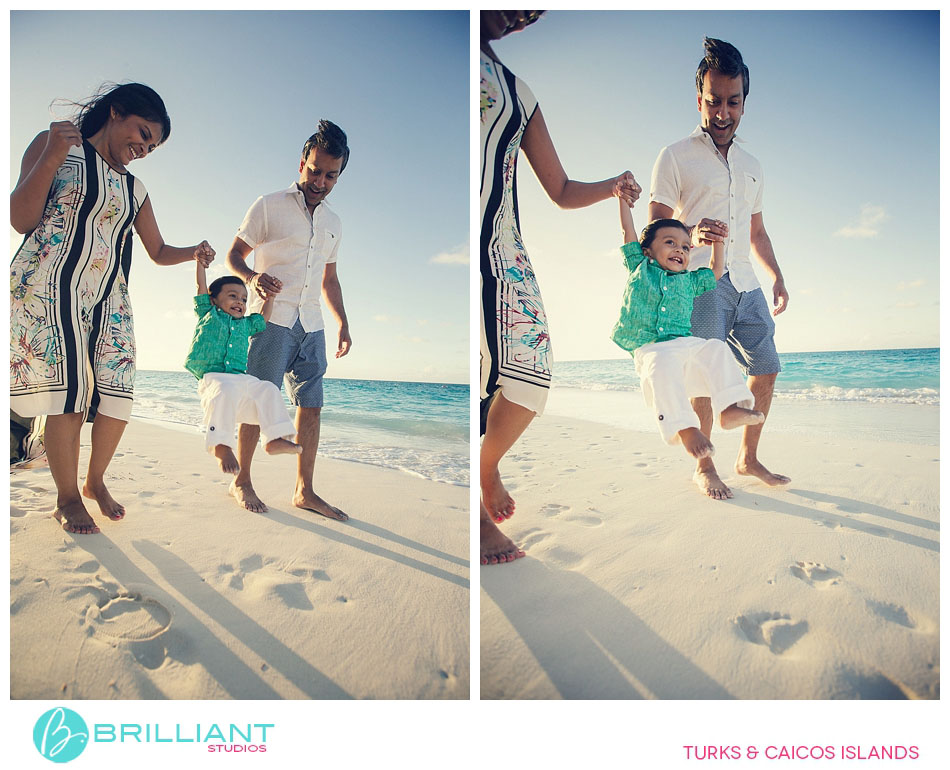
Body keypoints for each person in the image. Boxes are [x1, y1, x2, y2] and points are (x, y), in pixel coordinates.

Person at [10, 82, 216, 535]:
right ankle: (67, 498)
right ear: (116, 111)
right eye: (143, 134)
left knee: (118, 393)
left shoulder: (134, 188)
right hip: (49, 287)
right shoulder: (56, 145)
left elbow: (157, 250)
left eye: (152, 146)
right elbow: (21, 218)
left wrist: (193, 253)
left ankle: (94, 481)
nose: (144, 149)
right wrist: (51, 158)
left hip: (109, 298)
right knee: (71, 393)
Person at [480, 10, 640, 565]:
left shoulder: (519, 94)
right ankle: (476, 509)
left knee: (532, 371)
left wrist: (613, 186)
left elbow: (562, 188)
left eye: (534, 12)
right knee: (475, 374)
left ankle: (485, 466)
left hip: (505, 252)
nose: (522, 17)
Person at [648, 37, 790, 501]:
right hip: (699, 280)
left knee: (766, 366)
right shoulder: (674, 155)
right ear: (699, 100)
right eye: (714, 101)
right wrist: (690, 235)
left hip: (745, 280)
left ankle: (748, 458)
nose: (723, 112)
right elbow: (655, 226)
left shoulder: (753, 165)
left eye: (733, 101)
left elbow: (757, 231)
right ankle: (704, 466)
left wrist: (777, 276)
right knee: (703, 378)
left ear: (744, 102)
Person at [224, 120, 351, 520]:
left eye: (331, 175)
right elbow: (234, 255)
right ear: (302, 163)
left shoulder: (334, 223)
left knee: (311, 406)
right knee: (257, 401)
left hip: (312, 324)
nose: (320, 182)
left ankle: (304, 490)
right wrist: (252, 278)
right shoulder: (269, 205)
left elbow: (330, 279)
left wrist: (343, 323)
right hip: (272, 320)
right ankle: (242, 480)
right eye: (315, 170)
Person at [612, 200, 764, 458]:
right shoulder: (639, 266)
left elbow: (716, 270)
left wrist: (718, 242)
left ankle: (728, 408)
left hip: (684, 342)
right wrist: (622, 201)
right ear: (647, 251)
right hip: (650, 346)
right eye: (669, 242)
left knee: (716, 348)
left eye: (685, 246)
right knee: (662, 364)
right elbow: (628, 230)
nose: (679, 250)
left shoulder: (690, 280)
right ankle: (685, 427)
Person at [184, 262, 302, 474]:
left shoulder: (246, 324)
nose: (239, 301)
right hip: (214, 378)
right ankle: (221, 445)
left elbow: (263, 318)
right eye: (232, 296)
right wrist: (200, 264)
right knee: (225, 390)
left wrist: (270, 298)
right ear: (213, 299)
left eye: (244, 299)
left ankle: (274, 438)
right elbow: (200, 285)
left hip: (240, 378)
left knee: (269, 389)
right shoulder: (208, 312)